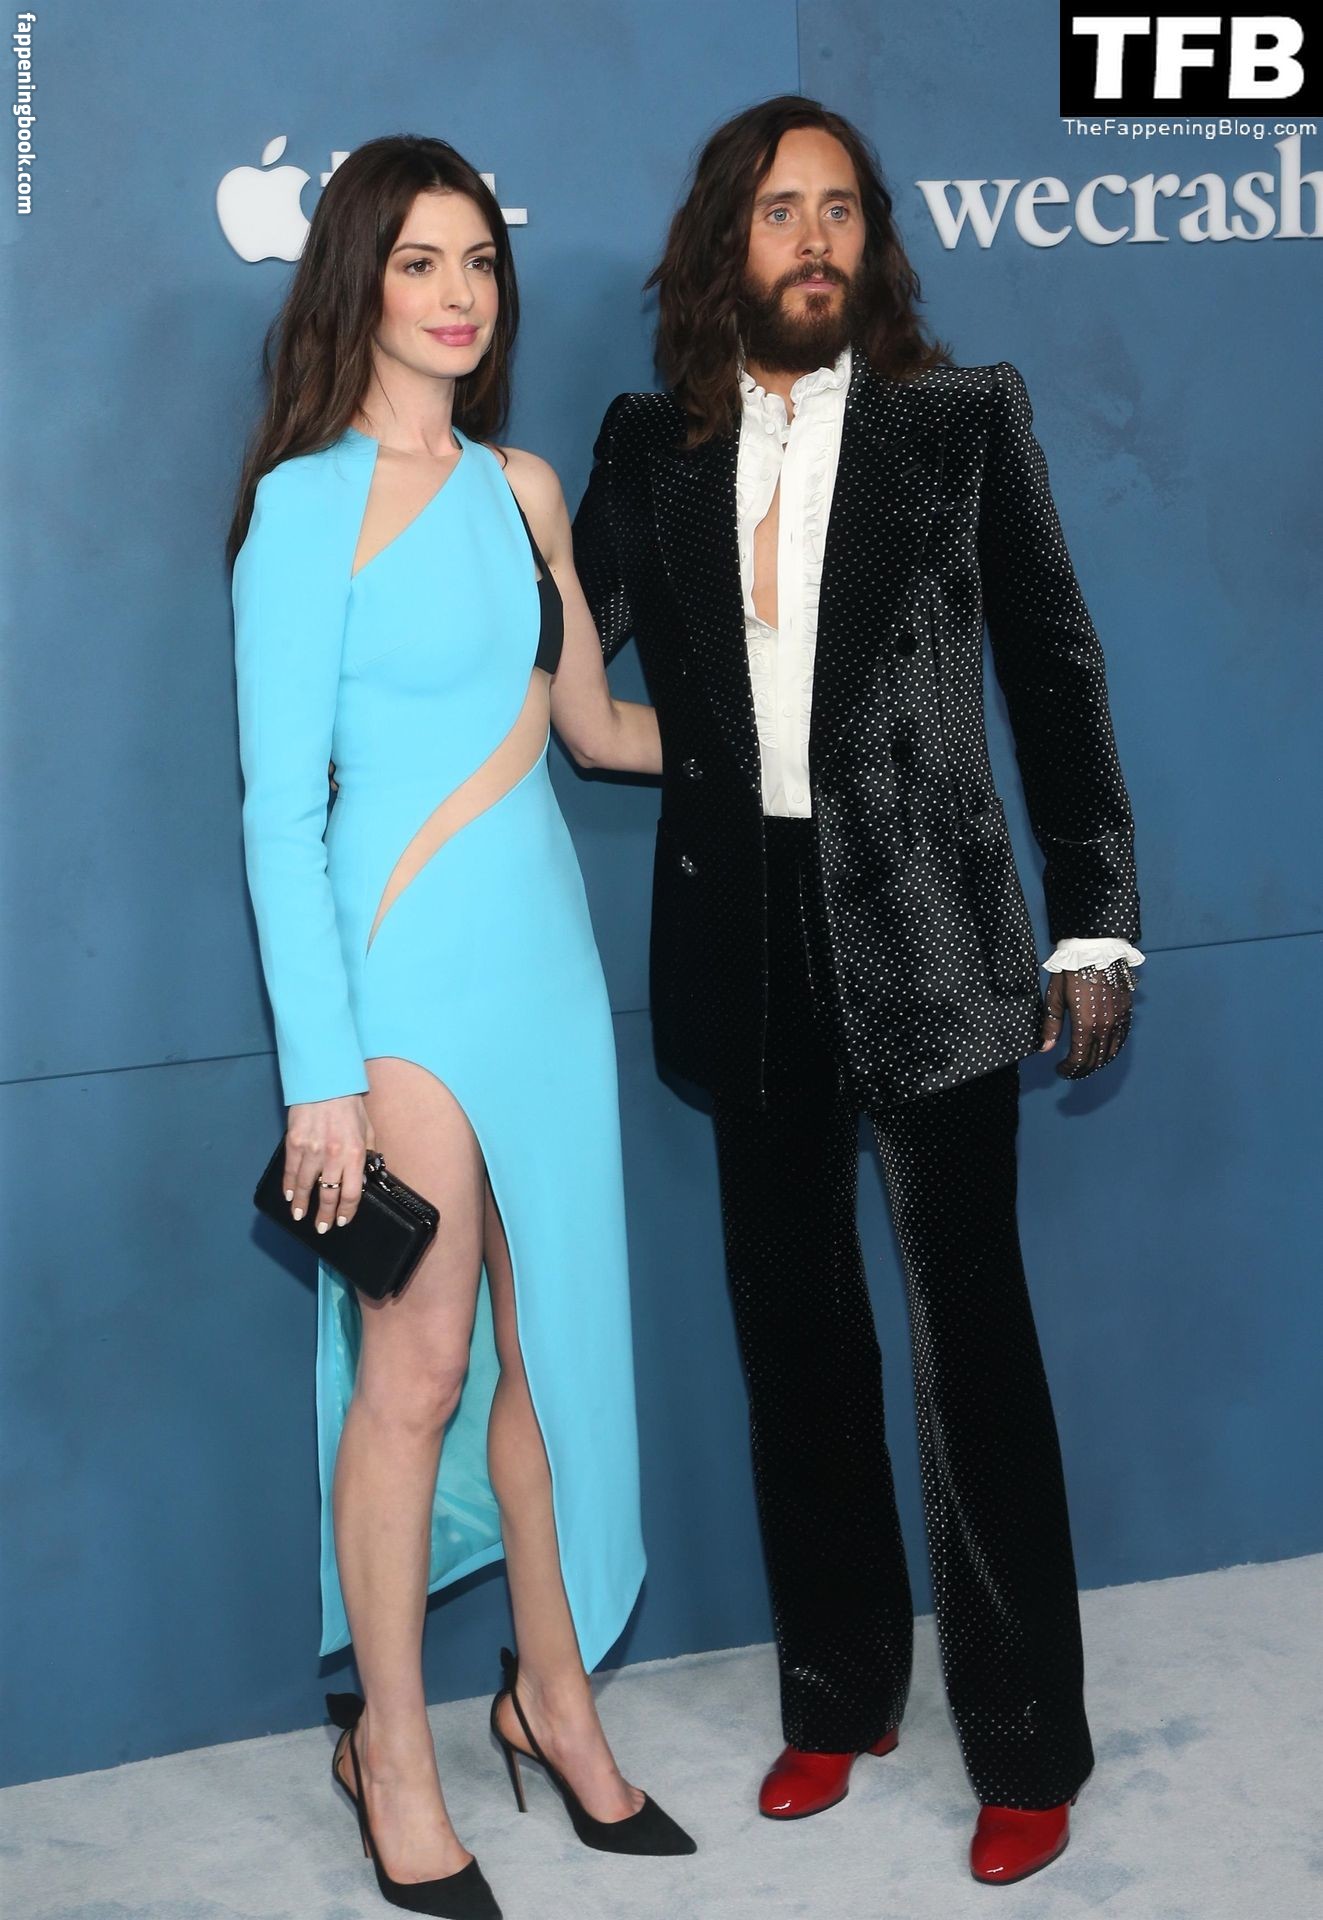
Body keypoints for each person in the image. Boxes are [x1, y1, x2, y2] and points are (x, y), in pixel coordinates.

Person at [573, 95, 1144, 1889]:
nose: (812, 238)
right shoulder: (646, 447)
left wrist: (1095, 920)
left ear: (870, 242)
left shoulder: (961, 425)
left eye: (838, 209)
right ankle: (837, 1694)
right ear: (723, 246)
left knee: (973, 1351)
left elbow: (1054, 671)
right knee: (795, 1342)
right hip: (740, 948)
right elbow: (553, 651)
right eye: (777, 210)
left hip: (936, 936)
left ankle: (1028, 1743)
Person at [228, 135, 693, 1919]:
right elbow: (280, 815)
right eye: (420, 261)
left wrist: (792, 731)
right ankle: (392, 1753)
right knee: (416, 1371)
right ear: (358, 280)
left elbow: (596, 729)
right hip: (400, 981)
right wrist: (321, 1080)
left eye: (479, 262)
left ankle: (555, 1706)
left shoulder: (524, 487)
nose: (457, 294)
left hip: (544, 969)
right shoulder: (304, 509)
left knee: (545, 1359)